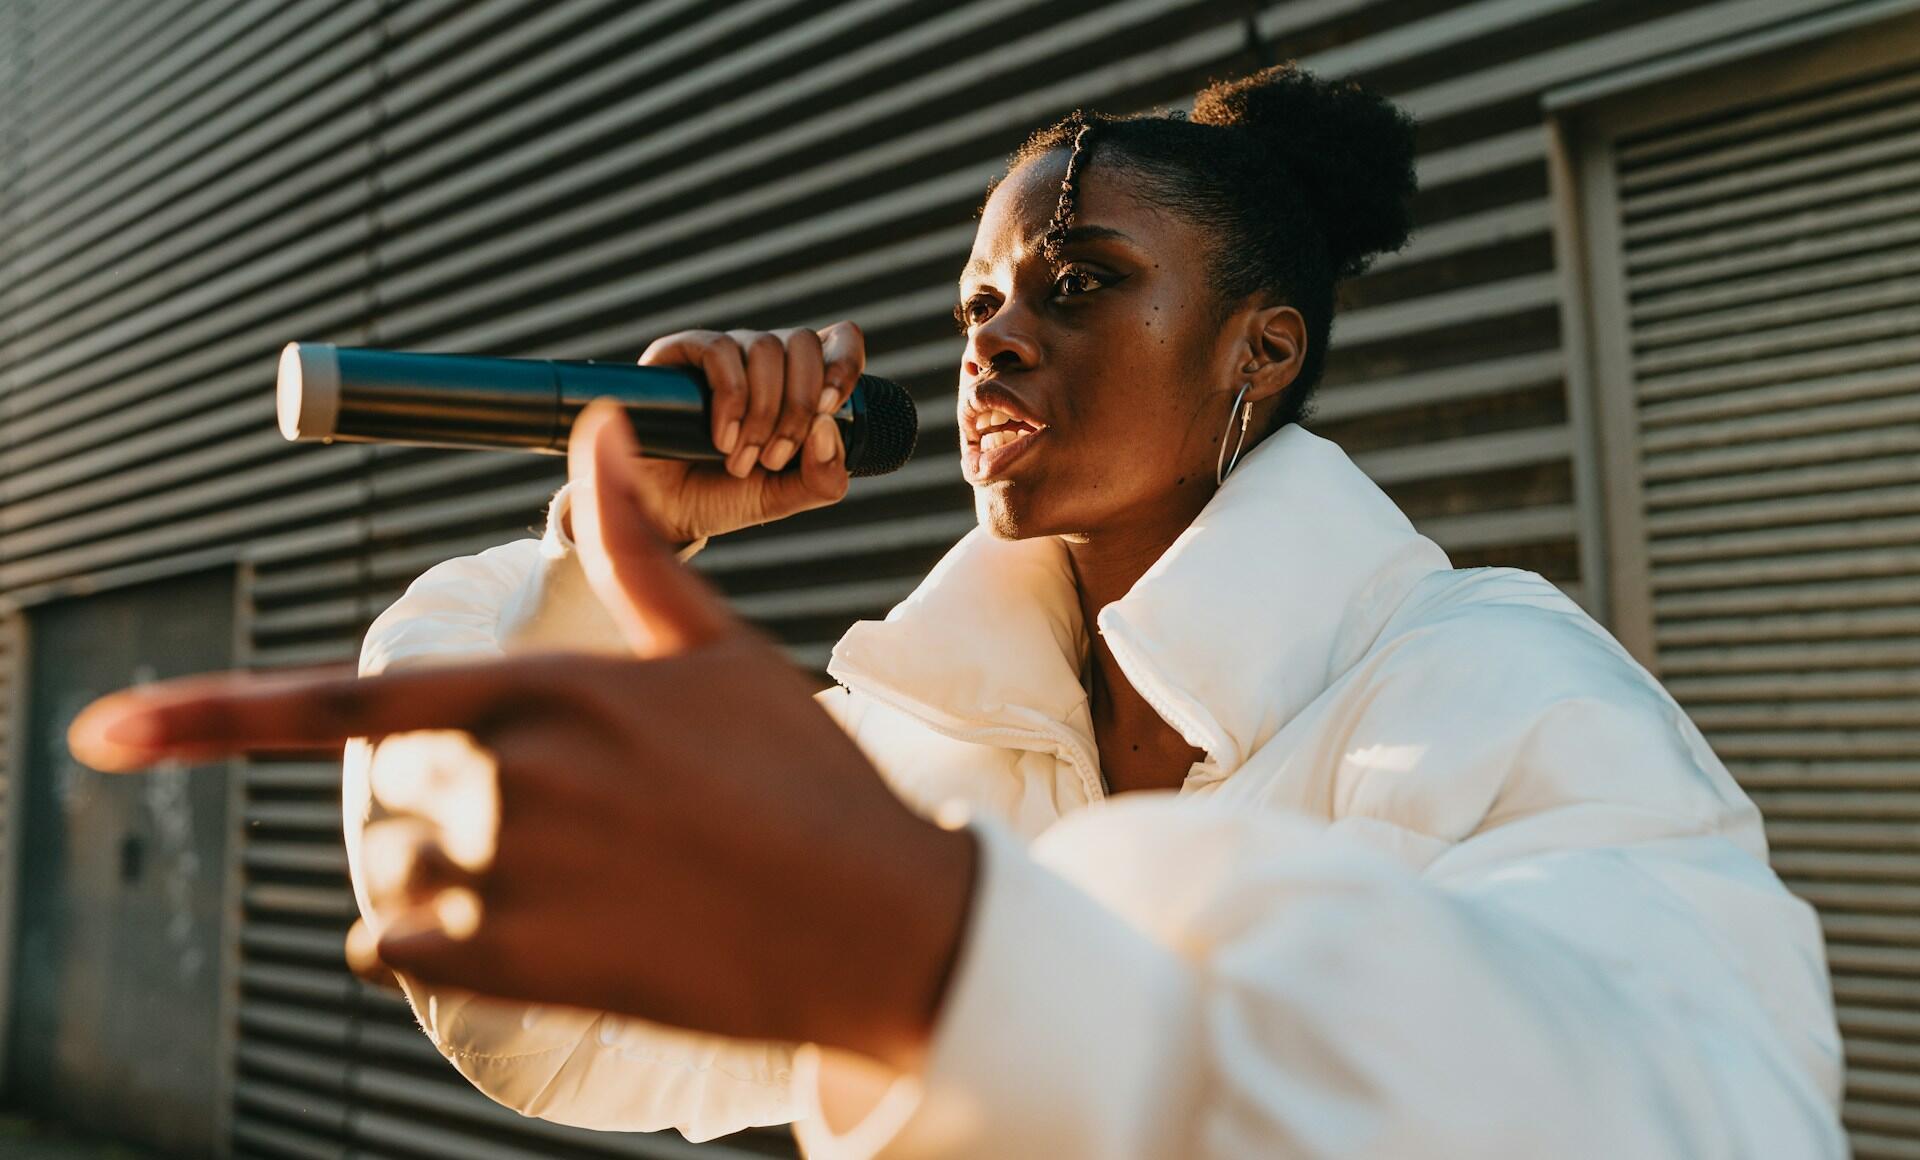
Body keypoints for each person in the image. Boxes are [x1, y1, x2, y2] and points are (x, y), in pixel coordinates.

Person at [69, 65, 1846, 1157]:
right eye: (978, 299)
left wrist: (959, 961)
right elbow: (557, 1019)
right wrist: (618, 554)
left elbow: (1702, 1108)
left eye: (1080, 284)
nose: (995, 336)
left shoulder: (1489, 686)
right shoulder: (932, 740)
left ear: (1263, 351)